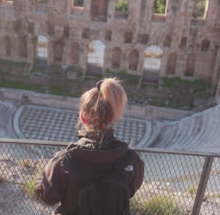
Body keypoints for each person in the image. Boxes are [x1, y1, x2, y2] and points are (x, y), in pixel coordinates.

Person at [36, 78, 144, 215]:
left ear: (82, 117)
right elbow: (130, 190)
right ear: (112, 118)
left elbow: (46, 196)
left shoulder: (64, 161)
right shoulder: (132, 160)